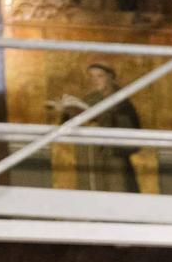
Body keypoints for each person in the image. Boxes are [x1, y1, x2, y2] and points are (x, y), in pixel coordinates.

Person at [48, 60, 141, 193]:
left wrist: (99, 118)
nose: (95, 80)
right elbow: (73, 121)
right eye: (92, 76)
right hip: (89, 157)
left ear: (110, 77)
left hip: (112, 159)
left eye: (99, 76)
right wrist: (67, 112)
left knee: (116, 196)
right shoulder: (90, 98)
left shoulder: (121, 100)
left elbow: (128, 127)